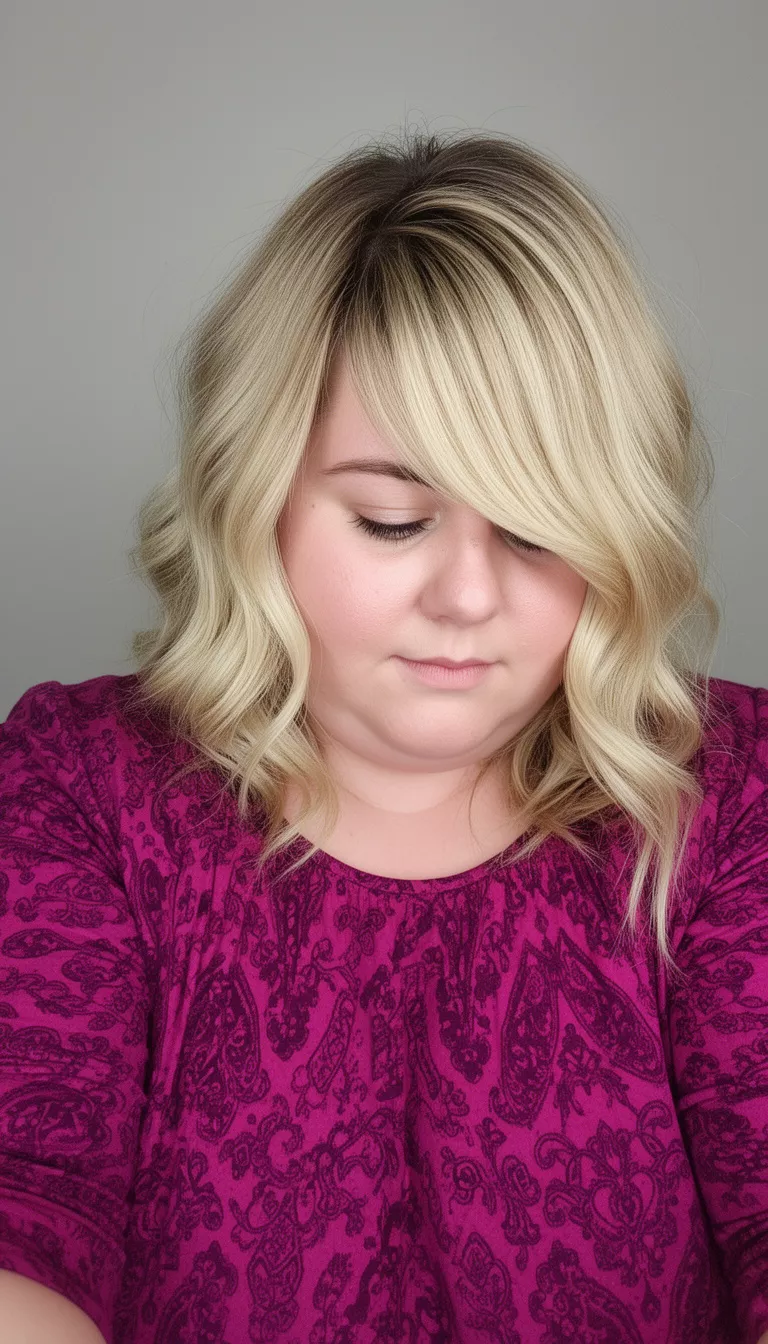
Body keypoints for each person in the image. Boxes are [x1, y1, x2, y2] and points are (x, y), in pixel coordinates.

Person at [0, 127, 766, 1344]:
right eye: (393, 519)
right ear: (259, 498)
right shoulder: (79, 790)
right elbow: (21, 1218)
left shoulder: (734, 803)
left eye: (534, 529)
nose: (467, 595)